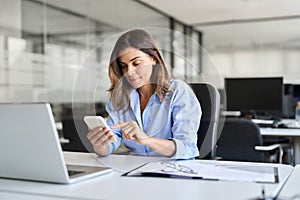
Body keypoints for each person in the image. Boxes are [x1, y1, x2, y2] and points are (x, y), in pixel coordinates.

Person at [87, 29, 201, 159]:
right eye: (123, 66)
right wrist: (100, 145)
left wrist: (147, 140)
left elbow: (185, 147)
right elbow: (111, 144)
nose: (129, 72)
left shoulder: (178, 91)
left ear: (153, 58)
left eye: (136, 63)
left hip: (174, 170)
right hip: (135, 170)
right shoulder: (120, 97)